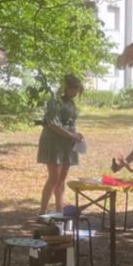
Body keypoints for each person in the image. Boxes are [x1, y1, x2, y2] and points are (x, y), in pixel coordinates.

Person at [37, 73, 84, 215]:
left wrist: (76, 135)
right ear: (66, 87)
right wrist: (71, 135)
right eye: (74, 90)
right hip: (53, 141)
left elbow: (70, 122)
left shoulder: (70, 102)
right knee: (54, 177)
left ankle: (59, 209)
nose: (76, 93)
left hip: (67, 143)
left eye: (77, 90)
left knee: (62, 177)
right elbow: (53, 124)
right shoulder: (54, 101)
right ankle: (43, 211)